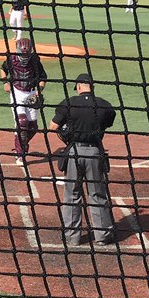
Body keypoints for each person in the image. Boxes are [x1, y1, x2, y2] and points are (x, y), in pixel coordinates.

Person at [49, 73, 117, 245]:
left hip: (74, 153)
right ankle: (102, 236)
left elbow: (53, 127)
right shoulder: (104, 106)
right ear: (91, 86)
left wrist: (66, 132)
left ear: (79, 86)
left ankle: (72, 237)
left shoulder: (69, 103)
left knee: (72, 195)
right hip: (94, 152)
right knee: (97, 194)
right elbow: (107, 123)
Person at [0, 37, 47, 165]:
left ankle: (20, 142)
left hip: (31, 93)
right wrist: (5, 83)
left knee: (33, 128)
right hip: (17, 93)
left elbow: (43, 77)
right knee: (22, 122)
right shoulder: (11, 59)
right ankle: (20, 155)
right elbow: (3, 70)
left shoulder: (35, 60)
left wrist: (39, 90)